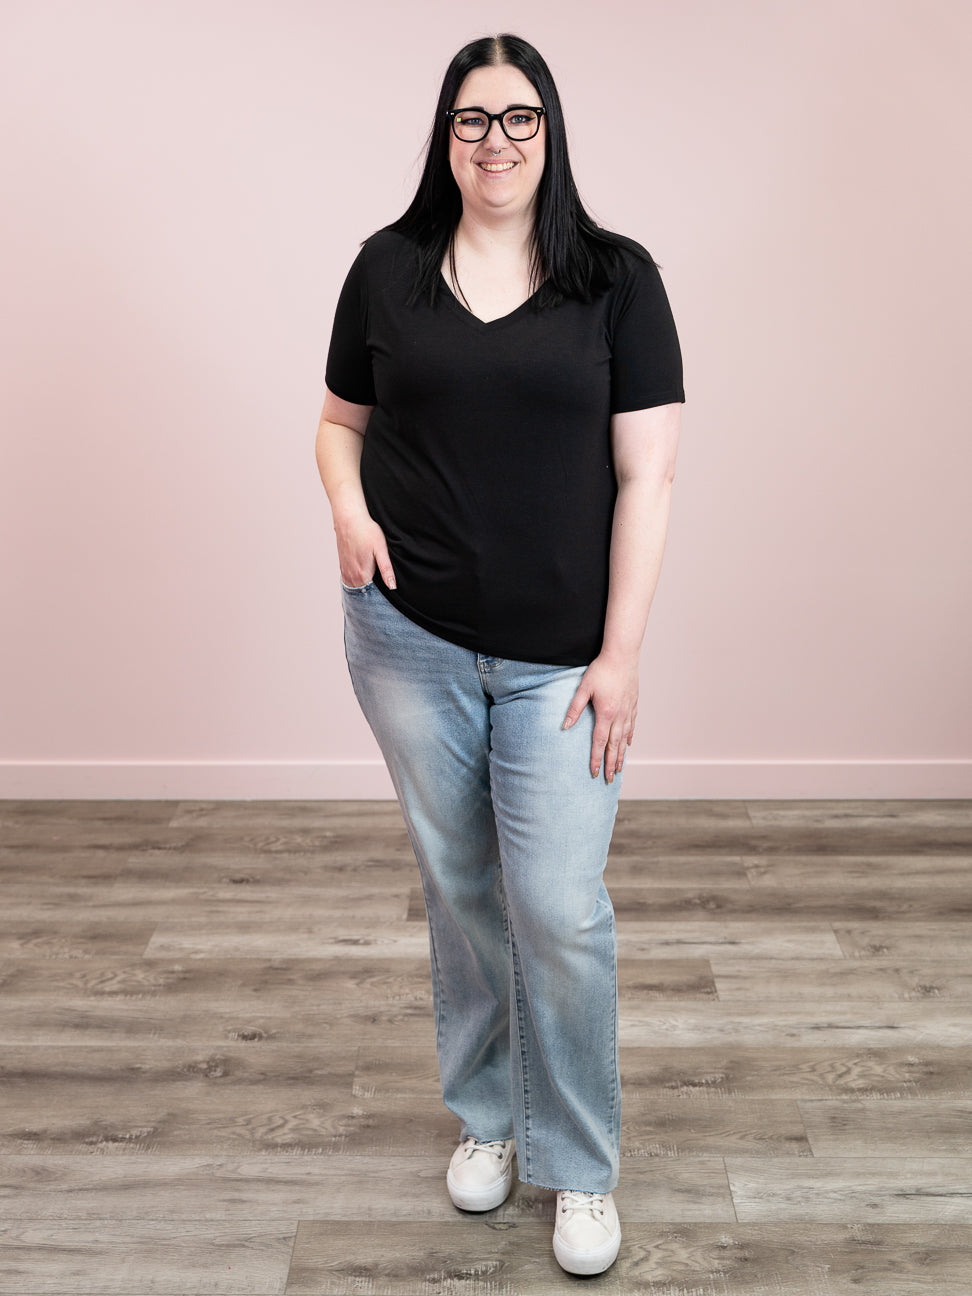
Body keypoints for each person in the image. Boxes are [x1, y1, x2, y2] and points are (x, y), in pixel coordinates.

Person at [315, 33, 684, 1277]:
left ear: (551, 131)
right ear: (446, 135)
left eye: (520, 118)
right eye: (474, 119)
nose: (496, 141)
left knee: (558, 909)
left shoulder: (618, 280)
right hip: (408, 641)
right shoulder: (387, 268)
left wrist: (621, 655)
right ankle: (487, 1118)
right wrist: (349, 512)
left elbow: (650, 477)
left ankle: (579, 1166)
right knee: (464, 891)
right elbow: (336, 426)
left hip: (562, 664)